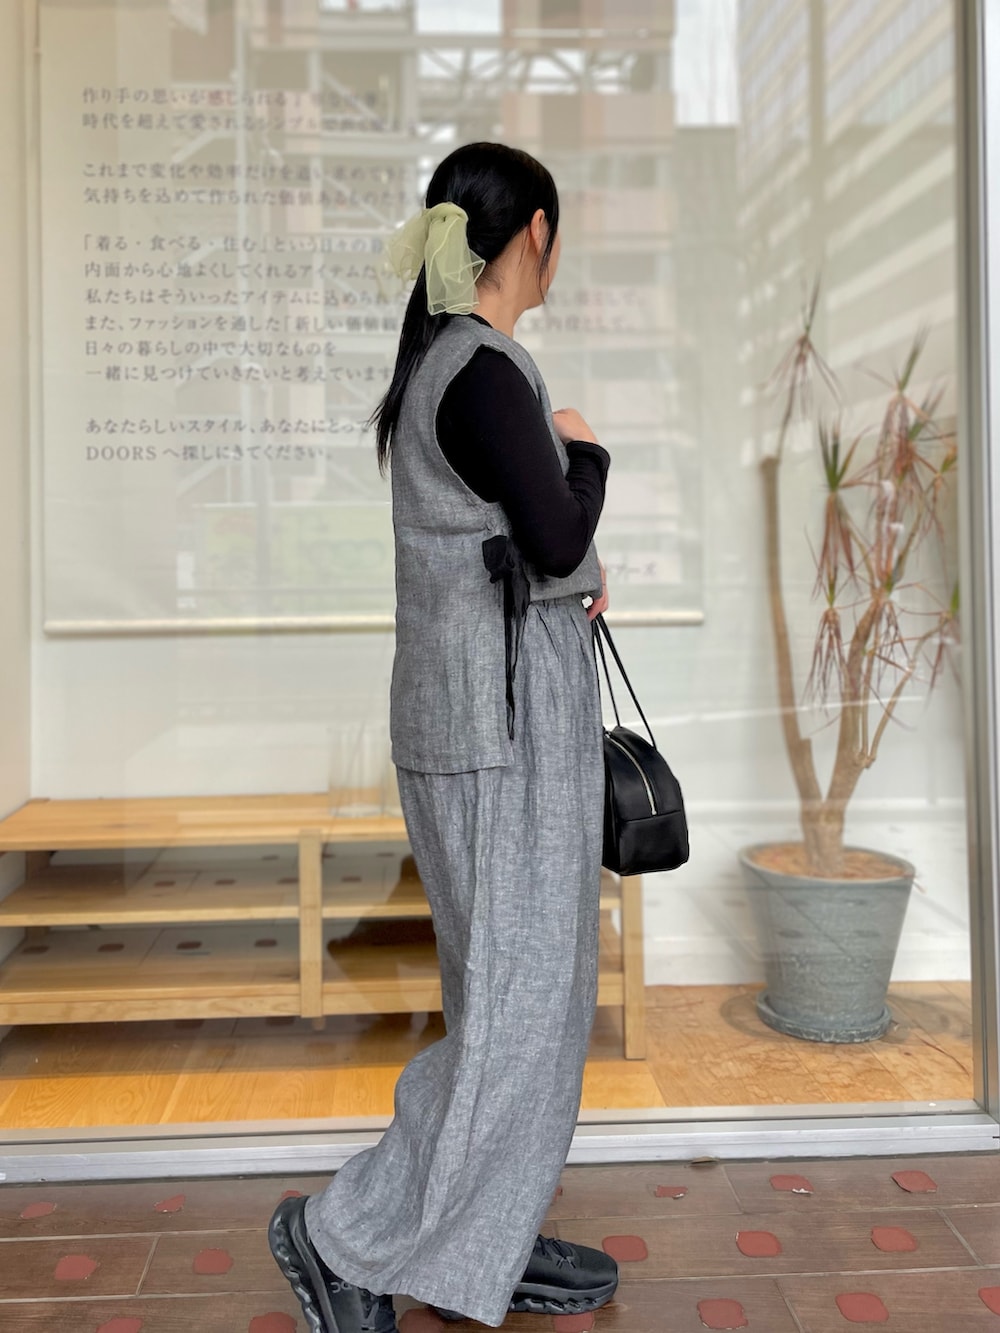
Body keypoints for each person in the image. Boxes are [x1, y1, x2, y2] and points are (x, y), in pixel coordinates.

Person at [269, 141, 615, 1333]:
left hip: (475, 721)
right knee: (523, 1012)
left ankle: (481, 1233)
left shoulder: (445, 365)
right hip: (499, 733)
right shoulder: (483, 372)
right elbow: (558, 538)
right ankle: (342, 1236)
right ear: (534, 235)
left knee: (508, 1005)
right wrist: (585, 447)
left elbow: (514, 546)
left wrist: (563, 537)